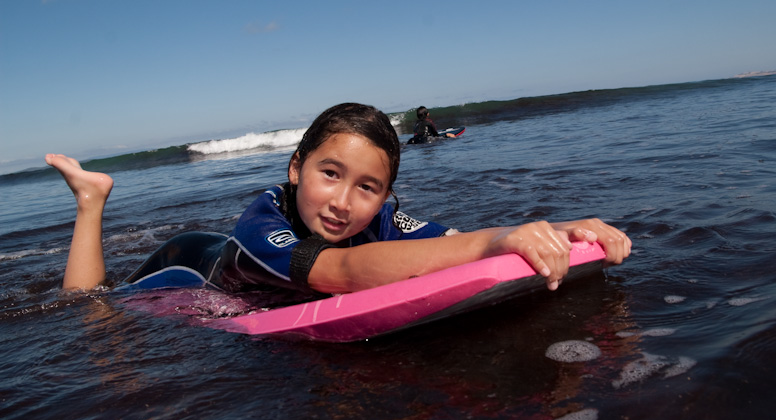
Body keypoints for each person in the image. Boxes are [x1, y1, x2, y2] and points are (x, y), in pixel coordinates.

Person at [47, 103, 631, 298]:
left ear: (386, 195)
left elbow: (449, 244)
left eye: (367, 188)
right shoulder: (261, 220)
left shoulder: (381, 217)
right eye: (329, 173)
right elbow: (341, 271)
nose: (342, 203)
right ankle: (91, 201)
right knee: (92, 310)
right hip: (187, 266)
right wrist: (498, 241)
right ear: (296, 168)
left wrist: (565, 227)